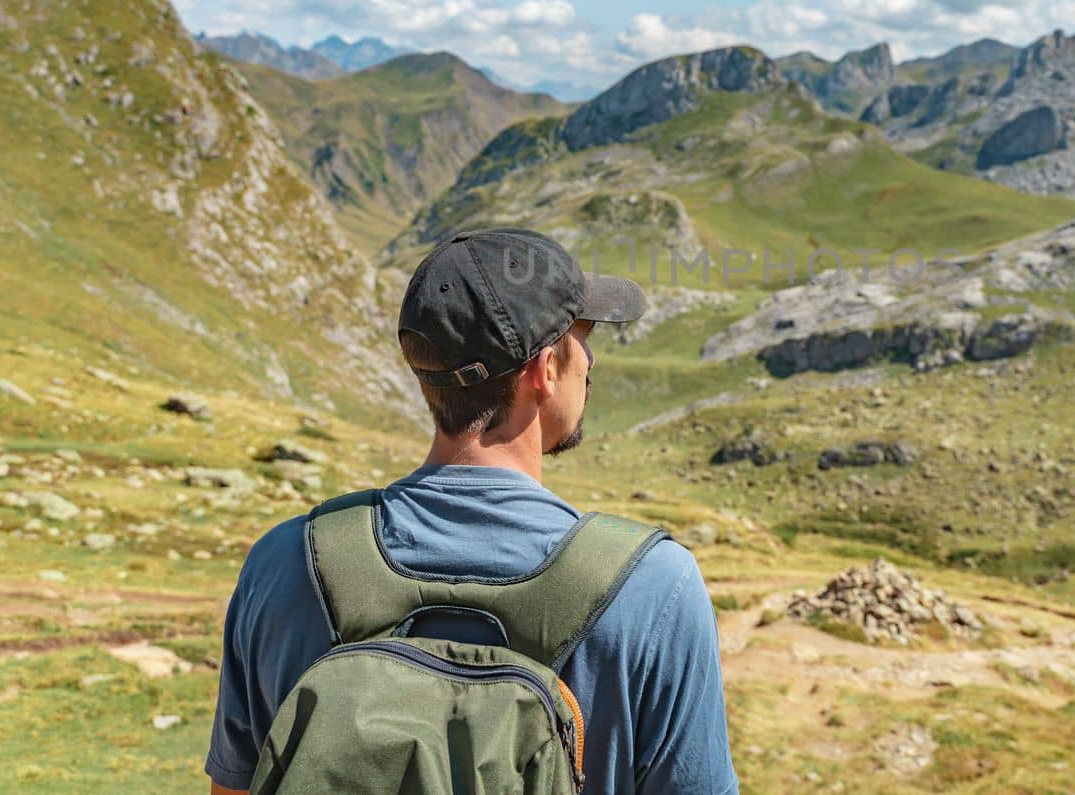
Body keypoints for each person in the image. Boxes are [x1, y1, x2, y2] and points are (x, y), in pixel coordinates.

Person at [205, 227, 739, 794]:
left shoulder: (284, 564)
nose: (591, 361)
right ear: (544, 369)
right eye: (582, 339)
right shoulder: (655, 587)